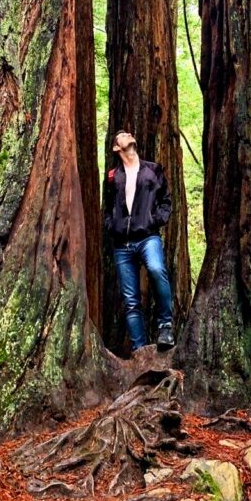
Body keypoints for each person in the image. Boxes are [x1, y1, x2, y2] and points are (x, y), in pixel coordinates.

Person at [104, 130, 175, 352]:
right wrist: (112, 225)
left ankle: (166, 326)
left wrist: (155, 220)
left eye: (129, 134)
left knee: (156, 269)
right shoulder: (113, 176)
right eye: (122, 135)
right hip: (122, 245)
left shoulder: (152, 170)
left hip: (147, 237)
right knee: (131, 300)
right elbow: (107, 208)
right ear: (117, 147)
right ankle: (140, 350)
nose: (129, 135)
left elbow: (166, 200)